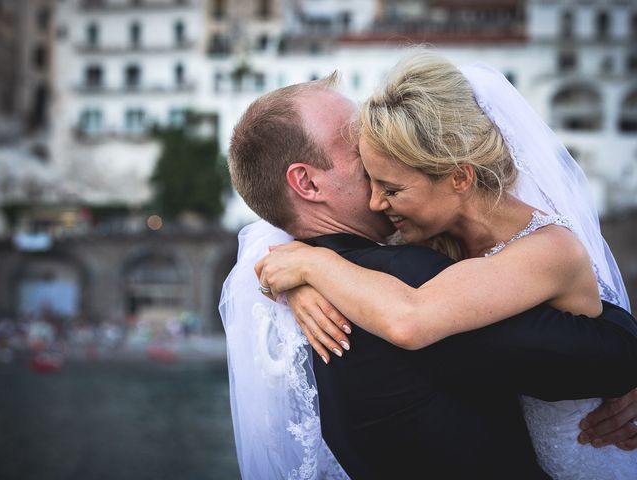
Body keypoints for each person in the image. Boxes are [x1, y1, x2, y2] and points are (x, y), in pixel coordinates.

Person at [222, 73, 637, 479]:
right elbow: (610, 358)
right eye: (359, 149)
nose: (376, 148)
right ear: (307, 182)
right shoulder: (405, 276)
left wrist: (308, 263)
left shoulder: (292, 277)